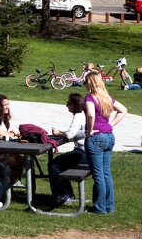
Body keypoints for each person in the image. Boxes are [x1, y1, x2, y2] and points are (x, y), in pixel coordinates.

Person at [83, 71, 127, 214]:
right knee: (106, 173)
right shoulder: (106, 97)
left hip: (96, 138)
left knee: (98, 175)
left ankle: (99, 208)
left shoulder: (90, 98)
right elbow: (123, 110)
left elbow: (90, 114)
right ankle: (109, 206)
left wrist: (89, 131)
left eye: (85, 81)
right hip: (109, 137)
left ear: (91, 83)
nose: (84, 84)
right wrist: (111, 125)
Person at [48, 93, 87, 205]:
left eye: (69, 103)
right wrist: (62, 133)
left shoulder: (78, 115)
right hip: (87, 152)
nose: (67, 106)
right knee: (61, 164)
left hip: (82, 153)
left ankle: (62, 196)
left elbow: (70, 134)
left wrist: (58, 133)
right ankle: (68, 194)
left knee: (54, 165)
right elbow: (75, 132)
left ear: (75, 105)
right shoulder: (84, 114)